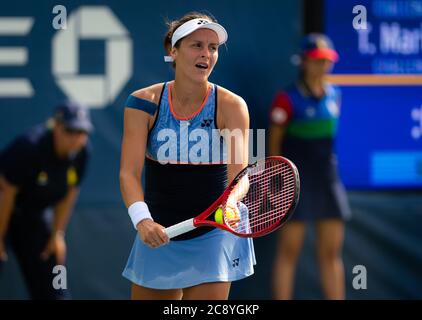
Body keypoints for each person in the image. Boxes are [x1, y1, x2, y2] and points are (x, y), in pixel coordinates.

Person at [120, 12, 255, 300]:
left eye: (213, 47)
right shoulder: (142, 104)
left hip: (213, 232)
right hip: (159, 230)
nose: (206, 54)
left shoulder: (232, 106)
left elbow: (240, 176)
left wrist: (231, 202)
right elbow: (128, 173)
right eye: (196, 45)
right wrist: (143, 221)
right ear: (173, 50)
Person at [269, 33, 351, 300]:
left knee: (330, 253)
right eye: (316, 60)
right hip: (295, 182)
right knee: (289, 252)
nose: (322, 66)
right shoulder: (286, 99)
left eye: (326, 60)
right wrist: (278, 182)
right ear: (304, 62)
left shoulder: (335, 95)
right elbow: (274, 145)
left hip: (328, 180)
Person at [0, 101, 92, 299]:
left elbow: (70, 193)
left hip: (35, 216)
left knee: (54, 278)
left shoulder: (82, 153)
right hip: (3, 209)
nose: (77, 138)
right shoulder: (30, 146)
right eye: (71, 130)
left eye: (82, 132)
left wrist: (57, 234)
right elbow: (6, 193)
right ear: (56, 126)